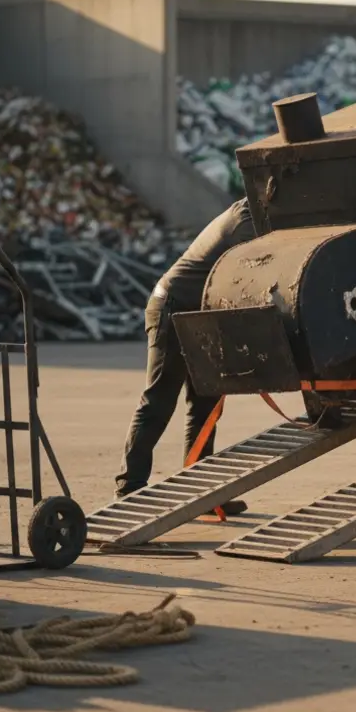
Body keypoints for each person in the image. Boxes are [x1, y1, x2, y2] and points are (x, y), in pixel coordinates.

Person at [116, 198, 256, 508]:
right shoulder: (246, 221)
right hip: (174, 308)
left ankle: (199, 490)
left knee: (205, 404)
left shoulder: (254, 217)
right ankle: (129, 488)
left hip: (202, 314)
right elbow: (252, 278)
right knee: (159, 398)